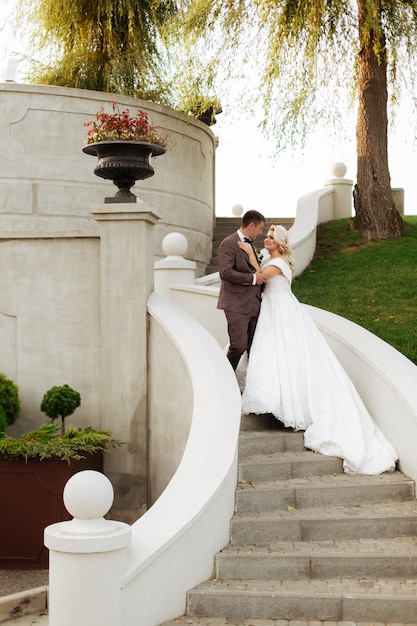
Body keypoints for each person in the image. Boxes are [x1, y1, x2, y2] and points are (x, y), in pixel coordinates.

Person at [237, 224, 398, 475]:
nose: (267, 240)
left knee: (283, 355)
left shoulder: (277, 263)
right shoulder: (277, 260)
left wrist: (249, 256)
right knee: (275, 357)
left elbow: (258, 278)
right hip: (276, 309)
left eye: (271, 237)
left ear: (280, 243)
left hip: (280, 311)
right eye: (266, 236)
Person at [217, 210, 266, 370]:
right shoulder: (228, 243)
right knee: (238, 346)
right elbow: (225, 272)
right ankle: (226, 378)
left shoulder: (250, 246)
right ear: (251, 226)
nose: (260, 233)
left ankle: (254, 384)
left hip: (254, 305)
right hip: (236, 305)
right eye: (259, 228)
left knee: (254, 348)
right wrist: (252, 279)